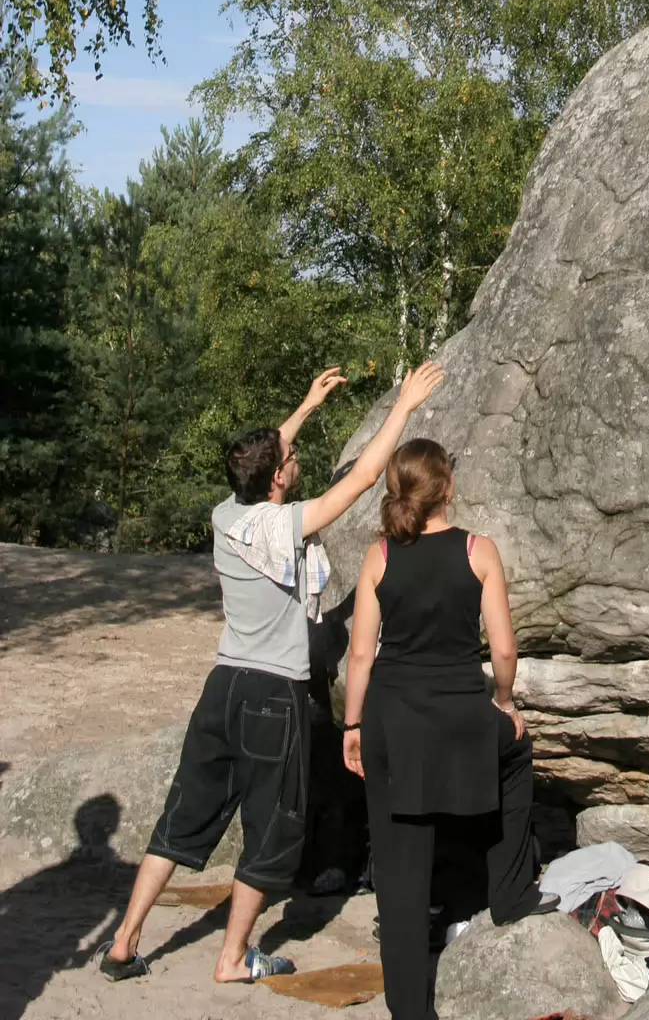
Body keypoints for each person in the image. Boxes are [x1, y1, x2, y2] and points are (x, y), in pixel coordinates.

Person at [97, 359, 444, 986]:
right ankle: (233, 959)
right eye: (290, 457)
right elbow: (365, 478)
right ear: (279, 477)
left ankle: (124, 942)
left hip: (223, 687)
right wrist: (404, 406)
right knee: (271, 830)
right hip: (272, 696)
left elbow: (256, 463)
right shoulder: (284, 524)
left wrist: (307, 406)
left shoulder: (226, 516)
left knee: (182, 817)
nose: (294, 455)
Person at [342, 437, 554, 1020]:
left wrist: (352, 724)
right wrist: (505, 703)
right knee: (516, 754)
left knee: (400, 877)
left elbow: (360, 656)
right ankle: (510, 892)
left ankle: (411, 1011)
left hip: (393, 726)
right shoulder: (478, 551)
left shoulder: (380, 556)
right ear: (448, 488)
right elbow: (503, 651)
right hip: (462, 721)